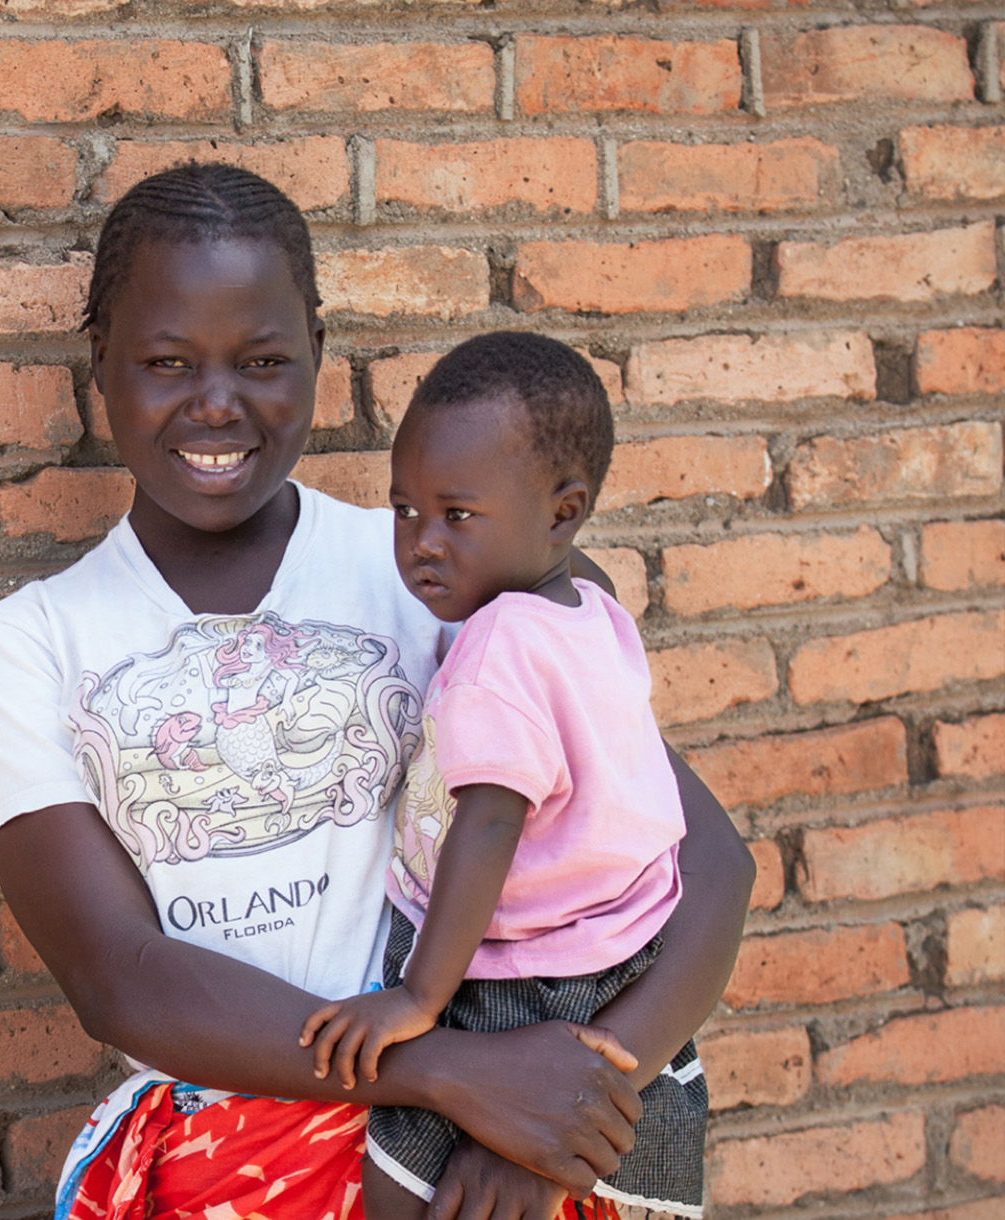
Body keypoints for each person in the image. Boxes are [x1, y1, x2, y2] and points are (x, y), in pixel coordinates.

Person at [0, 163, 754, 1220]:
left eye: (265, 359)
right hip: (245, 1153)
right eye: (164, 361)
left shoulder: (443, 572)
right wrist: (447, 1076)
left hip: (487, 1162)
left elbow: (703, 862)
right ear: (99, 362)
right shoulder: (30, 642)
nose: (217, 401)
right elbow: (121, 978)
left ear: (319, 356)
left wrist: (568, 1113)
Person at [297, 331, 707, 1220]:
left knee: (398, 1181)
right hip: (620, 959)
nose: (423, 544)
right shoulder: (591, 616)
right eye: (406, 512)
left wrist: (417, 996)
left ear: (563, 513)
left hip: (514, 976)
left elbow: (487, 825)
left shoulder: (496, 646)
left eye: (458, 516)